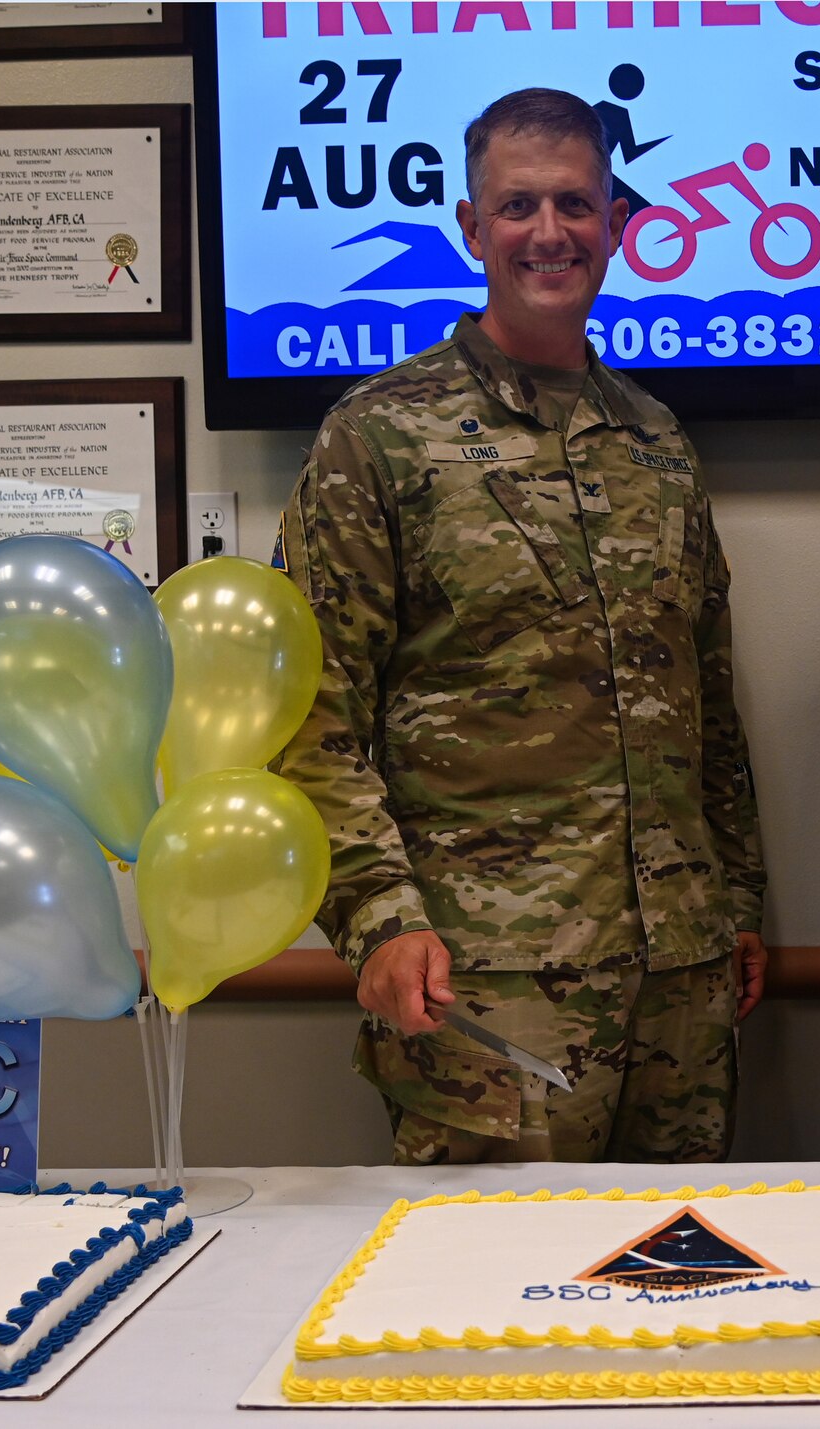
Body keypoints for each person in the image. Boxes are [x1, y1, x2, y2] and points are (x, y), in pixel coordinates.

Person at [274, 89, 766, 1166]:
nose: (550, 231)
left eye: (576, 204)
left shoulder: (656, 442)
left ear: (616, 223)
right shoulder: (378, 438)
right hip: (486, 980)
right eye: (518, 205)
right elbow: (309, 709)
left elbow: (706, 700)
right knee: (491, 1304)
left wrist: (734, 899)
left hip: (678, 984)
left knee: (682, 1301)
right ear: (470, 227)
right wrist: (378, 915)